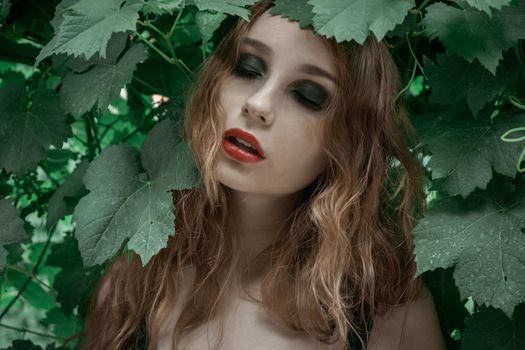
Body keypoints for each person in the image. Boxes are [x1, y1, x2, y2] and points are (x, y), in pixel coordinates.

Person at [81, 1, 446, 349]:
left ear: (352, 142)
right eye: (248, 68)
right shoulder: (135, 284)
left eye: (308, 95)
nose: (258, 105)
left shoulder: (387, 316)